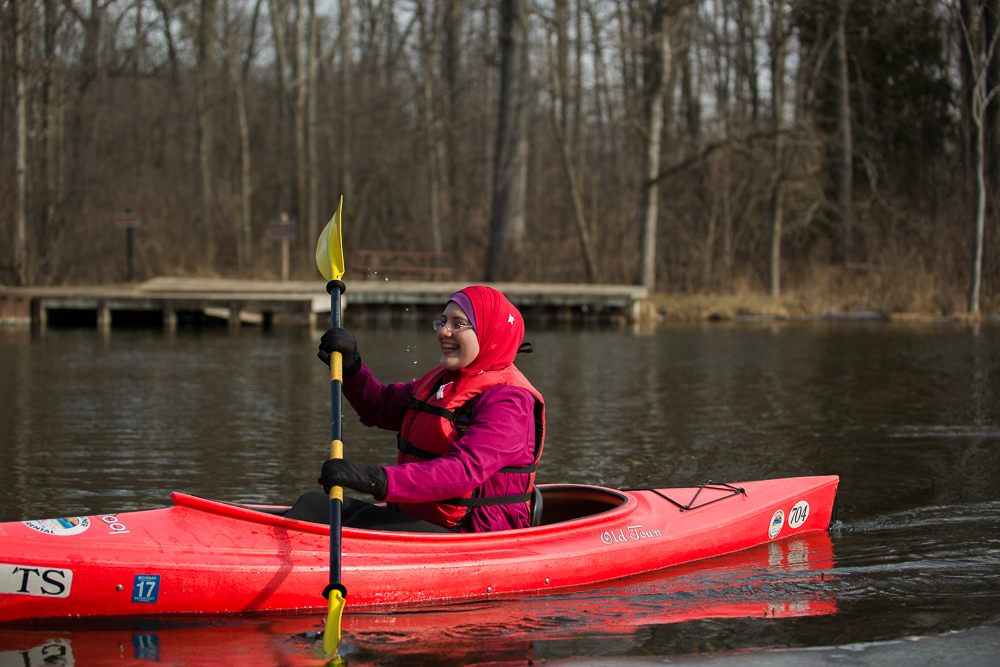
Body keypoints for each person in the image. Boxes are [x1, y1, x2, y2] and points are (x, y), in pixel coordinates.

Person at [284, 285, 544, 533]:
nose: (444, 332)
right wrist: (352, 368)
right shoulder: (444, 382)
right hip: (421, 519)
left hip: (474, 533)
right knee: (315, 504)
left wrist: (375, 479)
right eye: (442, 322)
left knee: (370, 519)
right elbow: (379, 406)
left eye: (458, 324)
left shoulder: (510, 402)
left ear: (490, 334)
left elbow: (463, 471)